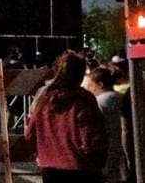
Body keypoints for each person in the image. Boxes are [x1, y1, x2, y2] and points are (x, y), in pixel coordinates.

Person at [25, 50, 107, 183]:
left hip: (49, 168)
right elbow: (92, 139)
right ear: (80, 74)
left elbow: (29, 133)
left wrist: (41, 154)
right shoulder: (83, 99)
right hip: (81, 168)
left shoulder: (43, 99)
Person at [85, 67, 128, 183]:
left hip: (104, 151)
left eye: (90, 85)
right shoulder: (121, 98)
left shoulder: (99, 102)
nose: (88, 89)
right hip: (120, 148)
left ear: (100, 84)